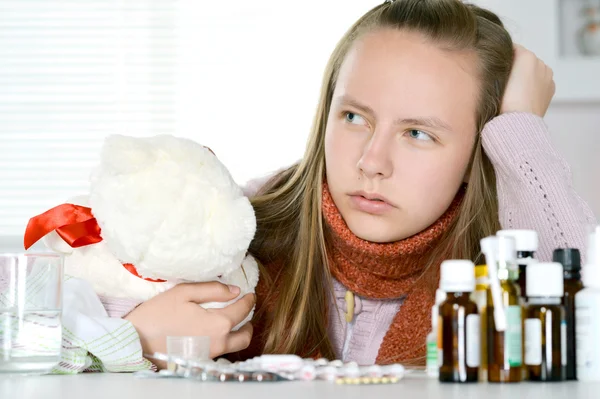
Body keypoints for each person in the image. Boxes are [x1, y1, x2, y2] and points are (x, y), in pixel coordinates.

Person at [52, 0, 597, 372]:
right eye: (355, 118)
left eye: (417, 133)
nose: (371, 161)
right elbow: (35, 337)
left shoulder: (502, 258)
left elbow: (584, 311)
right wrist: (134, 340)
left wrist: (522, 131)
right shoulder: (235, 229)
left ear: (476, 149)